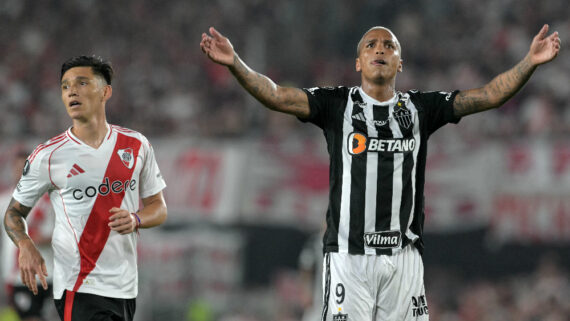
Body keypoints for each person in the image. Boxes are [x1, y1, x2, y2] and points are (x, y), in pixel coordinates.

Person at [200, 24, 560, 320]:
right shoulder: (336, 104)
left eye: (389, 45)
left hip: (403, 258)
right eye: (371, 44)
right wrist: (236, 64)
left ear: (400, 63)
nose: (380, 49)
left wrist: (529, 62)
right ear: (358, 62)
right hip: (348, 258)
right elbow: (276, 95)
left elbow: (488, 96)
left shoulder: (421, 108)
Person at [2, 55, 168, 321]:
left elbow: (158, 208)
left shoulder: (136, 145)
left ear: (105, 92)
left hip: (125, 286)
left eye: (82, 83)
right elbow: (12, 214)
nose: (72, 91)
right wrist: (25, 244)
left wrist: (137, 218)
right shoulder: (48, 155)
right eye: (66, 86)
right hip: (77, 285)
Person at [1, 149, 55, 321]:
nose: (19, 172)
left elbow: (63, 234)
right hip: (16, 275)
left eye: (24, 167)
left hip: (46, 274)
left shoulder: (47, 200)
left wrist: (42, 239)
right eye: (16, 167)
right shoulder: (3, 200)